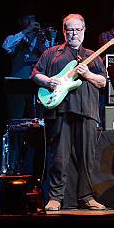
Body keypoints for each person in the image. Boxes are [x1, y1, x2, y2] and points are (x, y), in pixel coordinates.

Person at [31, 13, 107, 211]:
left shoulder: (94, 56)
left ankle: (86, 197)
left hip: (87, 110)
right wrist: (47, 81)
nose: (74, 33)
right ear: (64, 31)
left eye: (77, 29)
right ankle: (56, 197)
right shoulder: (51, 53)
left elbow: (102, 82)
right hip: (60, 110)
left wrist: (88, 73)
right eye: (70, 30)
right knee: (59, 157)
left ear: (84, 31)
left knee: (87, 157)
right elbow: (35, 74)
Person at [2, 14, 55, 120]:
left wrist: (48, 39)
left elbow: (52, 56)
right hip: (18, 85)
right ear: (21, 21)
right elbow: (6, 47)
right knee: (15, 119)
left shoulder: (42, 39)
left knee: (38, 120)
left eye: (33, 18)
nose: (31, 21)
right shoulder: (15, 38)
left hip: (37, 85)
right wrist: (26, 31)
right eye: (28, 18)